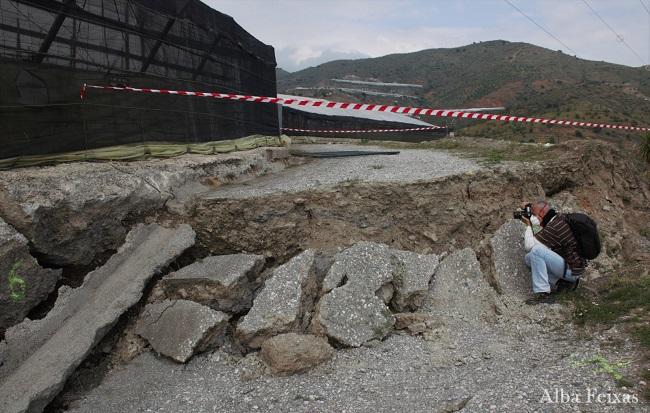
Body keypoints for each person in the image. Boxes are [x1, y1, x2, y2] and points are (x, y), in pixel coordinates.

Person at [520, 200, 585, 304]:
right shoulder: (556, 220)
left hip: (571, 270)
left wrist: (528, 225)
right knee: (529, 258)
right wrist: (530, 210)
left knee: (536, 251)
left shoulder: (554, 227)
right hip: (569, 266)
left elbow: (530, 246)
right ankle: (562, 283)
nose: (533, 217)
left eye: (534, 214)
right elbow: (539, 234)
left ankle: (543, 293)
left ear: (542, 213)